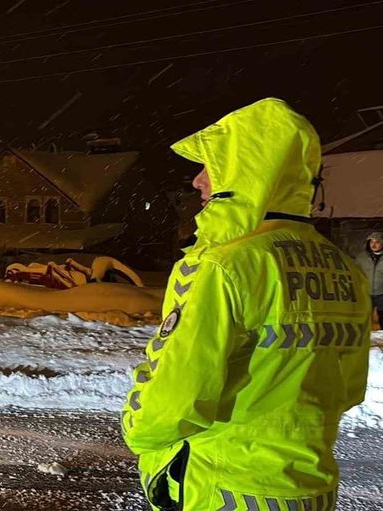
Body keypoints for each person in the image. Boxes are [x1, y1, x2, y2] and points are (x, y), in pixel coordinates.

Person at [121, 98, 370, 510]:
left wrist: (137, 429)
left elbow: (173, 399)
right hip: (309, 490)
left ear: (246, 170)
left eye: (211, 165)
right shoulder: (344, 269)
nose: (198, 182)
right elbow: (348, 388)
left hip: (224, 485)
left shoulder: (223, 265)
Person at [356, 231, 383, 329]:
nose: (374, 245)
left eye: (377, 242)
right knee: (364, 316)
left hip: (381, 293)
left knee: (382, 316)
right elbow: (356, 273)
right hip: (365, 292)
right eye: (371, 242)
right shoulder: (361, 257)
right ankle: (364, 335)